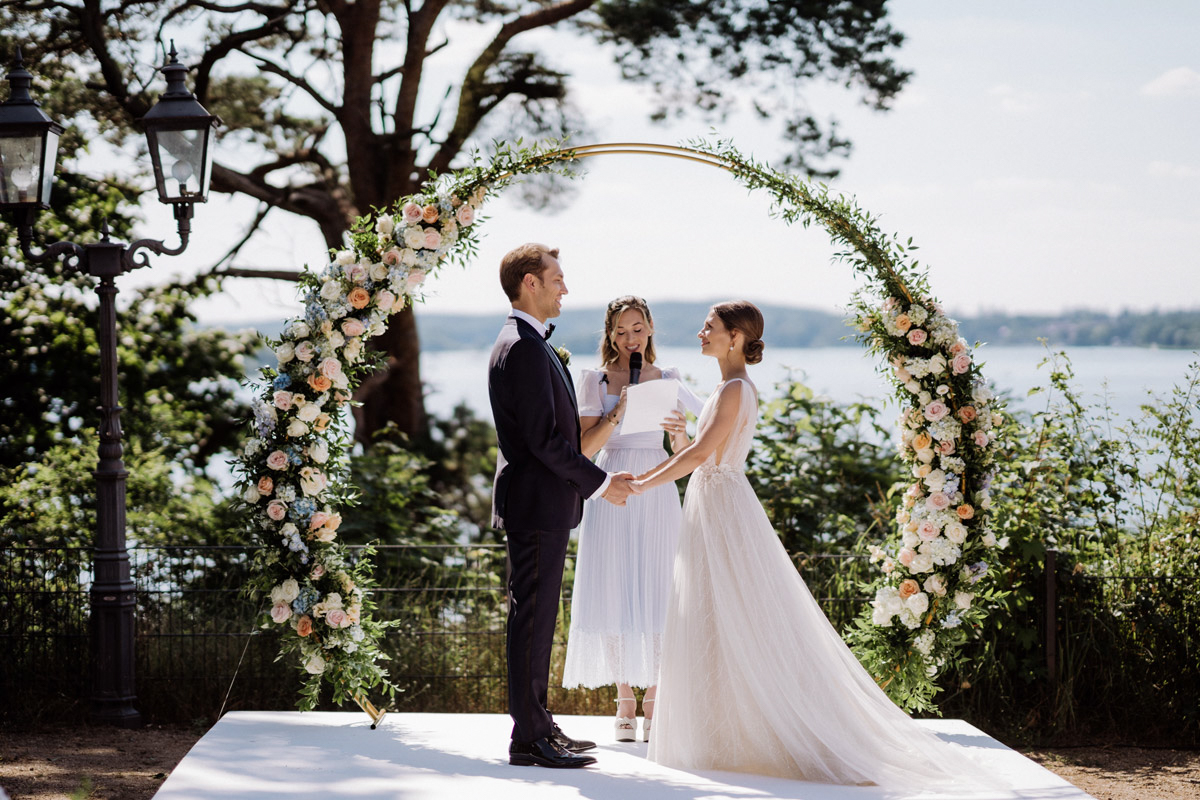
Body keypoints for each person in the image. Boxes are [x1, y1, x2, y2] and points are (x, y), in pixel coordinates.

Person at [634, 301, 1001, 790]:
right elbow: (698, 456)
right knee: (710, 615)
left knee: (735, 615)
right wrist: (678, 440)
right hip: (711, 506)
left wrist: (640, 483)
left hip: (722, 512)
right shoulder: (725, 388)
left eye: (711, 326)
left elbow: (705, 456)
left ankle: (764, 732)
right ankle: (720, 735)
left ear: (737, 337)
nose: (701, 332)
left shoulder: (735, 389)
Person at [487, 243, 636, 769]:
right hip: (535, 505)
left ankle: (537, 727)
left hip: (542, 506)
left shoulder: (528, 342)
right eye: (557, 279)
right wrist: (600, 484)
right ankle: (530, 738)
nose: (565, 289)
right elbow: (546, 442)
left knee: (538, 619)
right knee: (531, 621)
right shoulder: (522, 346)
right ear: (531, 282)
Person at [561, 296, 705, 743]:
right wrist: (617, 410)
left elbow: (688, 455)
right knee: (613, 584)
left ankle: (656, 699)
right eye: (621, 332)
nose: (630, 339)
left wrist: (680, 435)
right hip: (609, 483)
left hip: (657, 485)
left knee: (660, 585)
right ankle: (624, 699)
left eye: (638, 329)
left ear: (650, 329)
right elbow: (583, 449)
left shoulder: (670, 378)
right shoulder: (594, 380)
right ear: (609, 334)